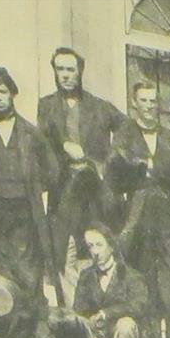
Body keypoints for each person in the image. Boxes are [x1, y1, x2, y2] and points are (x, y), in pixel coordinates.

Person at [0, 65, 57, 338]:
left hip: (24, 219)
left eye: (2, 91)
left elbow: (52, 171)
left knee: (26, 285)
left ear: (12, 93)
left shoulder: (30, 133)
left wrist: (32, 189)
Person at [111, 78, 170, 338]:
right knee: (143, 285)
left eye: (153, 101)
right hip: (138, 218)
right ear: (134, 104)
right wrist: (141, 166)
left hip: (168, 219)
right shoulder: (125, 134)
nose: (149, 106)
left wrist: (154, 169)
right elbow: (115, 169)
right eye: (143, 100)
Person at [35, 47, 125, 288]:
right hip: (63, 192)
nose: (65, 75)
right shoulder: (46, 106)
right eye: (60, 69)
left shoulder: (100, 107)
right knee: (63, 255)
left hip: (93, 193)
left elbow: (128, 132)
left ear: (80, 71)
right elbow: (43, 141)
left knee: (95, 251)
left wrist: (105, 164)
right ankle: (72, 306)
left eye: (70, 69)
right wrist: (64, 145)